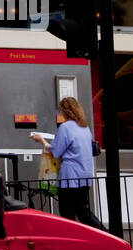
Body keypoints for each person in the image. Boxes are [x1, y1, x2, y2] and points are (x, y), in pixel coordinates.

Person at [36, 97, 102, 227]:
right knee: (83, 212)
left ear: (65, 111)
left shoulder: (65, 127)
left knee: (67, 215)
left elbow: (55, 151)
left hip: (69, 178)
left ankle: (99, 237)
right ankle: (106, 237)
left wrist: (41, 140)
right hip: (85, 177)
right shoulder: (85, 127)